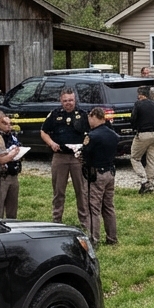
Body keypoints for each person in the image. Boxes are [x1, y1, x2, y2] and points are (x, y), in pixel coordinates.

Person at [40, 87, 89, 227]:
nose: (68, 103)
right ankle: (56, 220)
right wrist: (51, 143)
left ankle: (85, 221)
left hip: (78, 158)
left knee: (82, 191)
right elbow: (43, 132)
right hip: (60, 157)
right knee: (58, 190)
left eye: (71, 100)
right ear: (61, 101)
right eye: (66, 100)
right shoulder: (55, 114)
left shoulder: (83, 114)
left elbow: (91, 133)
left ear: (75, 100)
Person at [81, 107, 120, 245]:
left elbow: (85, 153)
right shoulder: (113, 134)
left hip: (96, 174)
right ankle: (112, 238)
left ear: (93, 116)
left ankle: (93, 239)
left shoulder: (92, 136)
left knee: (93, 208)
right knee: (108, 207)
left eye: (89, 118)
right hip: (110, 172)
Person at [130, 85, 154, 193]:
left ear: (140, 95)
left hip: (143, 134)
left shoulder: (138, 104)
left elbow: (133, 119)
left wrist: (134, 128)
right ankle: (151, 182)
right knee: (151, 160)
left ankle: (144, 178)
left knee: (135, 158)